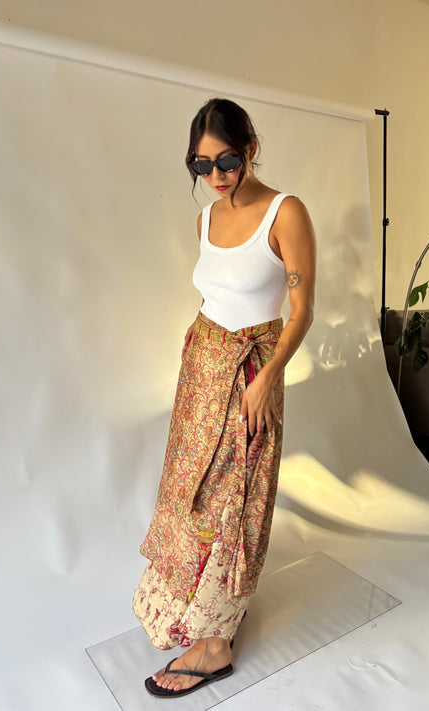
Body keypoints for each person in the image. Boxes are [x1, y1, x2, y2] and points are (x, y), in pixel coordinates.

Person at [132, 97, 316, 699]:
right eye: (200, 164)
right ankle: (193, 610)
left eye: (227, 161)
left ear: (251, 149)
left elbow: (301, 311)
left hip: (252, 371)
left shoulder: (285, 212)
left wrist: (266, 380)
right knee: (191, 493)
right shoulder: (206, 219)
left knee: (236, 499)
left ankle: (214, 645)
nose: (214, 176)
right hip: (202, 370)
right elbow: (216, 297)